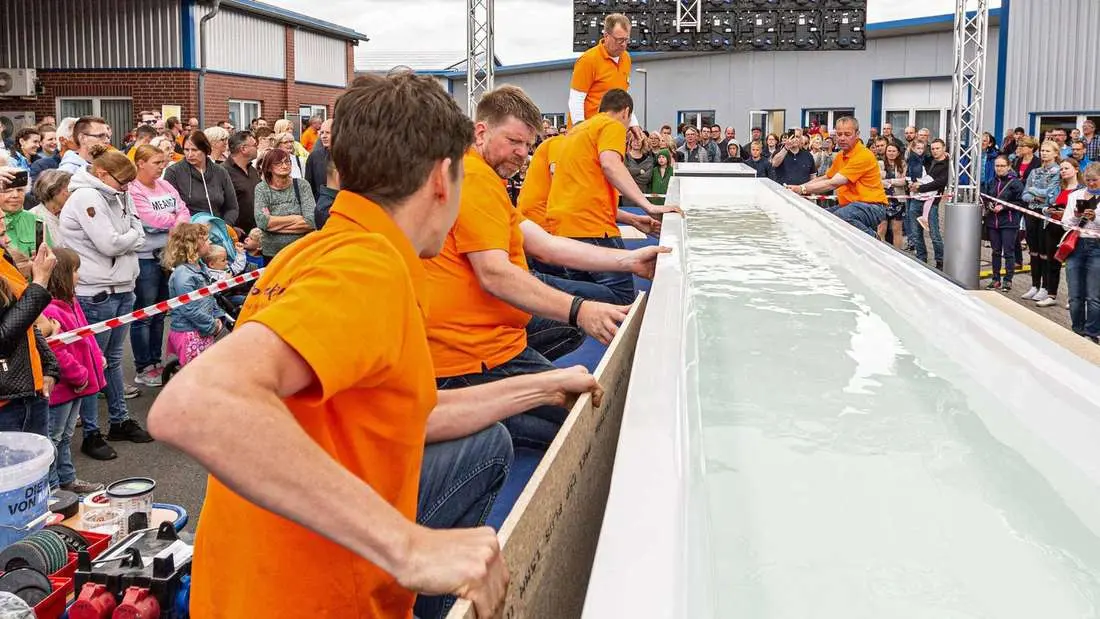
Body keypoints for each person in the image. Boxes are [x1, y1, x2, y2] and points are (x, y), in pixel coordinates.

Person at [149, 72, 603, 619]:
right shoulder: (369, 270)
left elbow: (410, 414)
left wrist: (542, 385)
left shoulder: (309, 255)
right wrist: (408, 546)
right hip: (318, 600)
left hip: (238, 592)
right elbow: (196, 404)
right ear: (443, 178)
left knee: (489, 443)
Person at [423, 85, 664, 454]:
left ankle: (506, 398)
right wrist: (580, 310)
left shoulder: (484, 178)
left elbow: (544, 244)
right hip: (471, 357)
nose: (522, 154)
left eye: (527, 145)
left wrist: (627, 260)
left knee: (573, 379)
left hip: (498, 338)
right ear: (481, 131)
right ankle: (475, 409)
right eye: (514, 142)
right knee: (583, 427)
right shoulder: (473, 179)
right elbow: (494, 274)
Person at [61, 144, 153, 459]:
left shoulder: (120, 194)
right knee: (92, 364)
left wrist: (126, 239)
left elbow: (138, 232)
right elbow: (109, 243)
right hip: (96, 291)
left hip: (123, 285)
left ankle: (119, 419)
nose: (127, 188)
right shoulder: (86, 197)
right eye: (122, 182)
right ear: (102, 173)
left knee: (112, 361)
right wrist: (129, 239)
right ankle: (91, 432)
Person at [545, 88, 679, 305]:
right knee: (622, 295)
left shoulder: (578, 132)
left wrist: (633, 219)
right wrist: (648, 206)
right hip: (592, 228)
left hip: (564, 225)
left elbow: (584, 193)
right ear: (626, 112)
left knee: (582, 303)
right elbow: (611, 164)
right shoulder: (612, 126)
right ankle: (545, 286)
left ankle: (547, 288)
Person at [41, 247, 104, 494]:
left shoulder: (71, 302)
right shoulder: (50, 310)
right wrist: (80, 374)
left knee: (65, 436)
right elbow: (56, 351)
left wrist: (97, 356)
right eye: (75, 270)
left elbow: (85, 332)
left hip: (77, 384)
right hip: (64, 386)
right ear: (61, 275)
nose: (79, 274)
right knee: (53, 439)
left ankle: (67, 478)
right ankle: (53, 487)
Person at [128, 145, 191, 387]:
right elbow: (148, 221)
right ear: (141, 163)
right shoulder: (134, 189)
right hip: (146, 258)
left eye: (162, 163)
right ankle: (143, 366)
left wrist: (176, 222)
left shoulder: (165, 185)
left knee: (160, 311)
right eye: (156, 163)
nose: (161, 168)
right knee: (144, 313)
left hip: (169, 256)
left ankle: (156, 361)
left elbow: (183, 209)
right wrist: (175, 222)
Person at [0, 220, 59, 437]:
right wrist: (40, 282)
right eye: (1, 233)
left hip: (30, 392)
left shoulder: (4, 259)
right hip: (6, 404)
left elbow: (26, 322)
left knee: (44, 466)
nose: (7, 240)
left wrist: (50, 367)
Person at [786, 116, 887, 237]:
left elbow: (834, 183)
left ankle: (874, 241)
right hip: (849, 205)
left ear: (857, 134)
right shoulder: (840, 156)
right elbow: (826, 177)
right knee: (819, 217)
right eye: (839, 134)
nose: (842, 138)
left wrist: (802, 190)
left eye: (847, 134)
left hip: (872, 206)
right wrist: (798, 187)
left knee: (840, 218)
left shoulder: (863, 155)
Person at [568, 13, 640, 139]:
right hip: (587, 133)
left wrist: (633, 123)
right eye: (619, 40)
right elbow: (576, 99)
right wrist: (580, 129)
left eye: (626, 39)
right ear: (606, 36)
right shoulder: (588, 60)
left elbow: (624, 96)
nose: (623, 44)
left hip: (610, 132)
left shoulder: (626, 58)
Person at [163, 223, 226, 366]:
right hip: (190, 333)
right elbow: (189, 309)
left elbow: (208, 297)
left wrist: (218, 316)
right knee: (197, 375)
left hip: (201, 329)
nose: (210, 242)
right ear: (193, 245)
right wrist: (212, 325)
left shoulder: (201, 267)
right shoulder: (183, 275)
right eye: (206, 239)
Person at [164, 131, 239, 225]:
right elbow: (170, 209)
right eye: (186, 150)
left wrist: (224, 226)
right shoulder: (173, 172)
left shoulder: (220, 172)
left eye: (194, 150)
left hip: (217, 231)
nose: (190, 154)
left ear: (205, 150)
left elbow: (232, 207)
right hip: (187, 232)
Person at [1019, 140, 1062, 303]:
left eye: (1048, 151)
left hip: (1046, 215)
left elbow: (1051, 195)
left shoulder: (1057, 172)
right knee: (1034, 251)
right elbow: (1025, 194)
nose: (1044, 153)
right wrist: (1035, 194)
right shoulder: (1035, 171)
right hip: (1031, 213)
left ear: (1055, 154)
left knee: (1045, 252)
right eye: (1042, 151)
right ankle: (1034, 285)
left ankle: (1045, 287)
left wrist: (1033, 191)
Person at [254, 148, 316, 260]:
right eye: (278, 163)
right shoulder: (261, 189)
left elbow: (311, 221)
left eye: (287, 162)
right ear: (268, 167)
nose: (284, 166)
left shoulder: (302, 185)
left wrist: (273, 226)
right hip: (272, 253)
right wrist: (295, 218)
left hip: (301, 250)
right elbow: (262, 221)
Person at [1062, 162, 1100, 343]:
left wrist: (1096, 218)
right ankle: (1077, 330)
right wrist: (1077, 216)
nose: (1091, 183)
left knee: (1093, 295)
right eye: (1089, 180)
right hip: (1076, 245)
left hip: (1097, 247)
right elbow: (1064, 223)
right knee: (1075, 295)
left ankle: (1092, 333)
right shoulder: (1075, 195)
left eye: (1095, 180)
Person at [982, 156, 1024, 291]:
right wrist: (989, 205)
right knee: (995, 251)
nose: (999, 168)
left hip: (1009, 222)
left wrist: (1004, 207)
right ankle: (995, 279)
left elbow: (1021, 202)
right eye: (997, 166)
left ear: (1008, 166)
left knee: (1008, 251)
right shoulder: (991, 181)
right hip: (992, 222)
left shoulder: (1015, 183)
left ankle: (1008, 280)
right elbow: (986, 196)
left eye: (1002, 166)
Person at [910, 139, 950, 268]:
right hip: (916, 200)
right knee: (916, 233)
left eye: (937, 148)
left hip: (931, 202)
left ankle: (940, 260)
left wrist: (919, 187)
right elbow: (913, 156)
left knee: (934, 234)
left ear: (944, 148)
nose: (934, 151)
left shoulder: (948, 165)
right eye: (932, 148)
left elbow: (940, 182)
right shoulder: (927, 160)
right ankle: (921, 258)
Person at [516, 134, 562, 230]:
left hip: (532, 212)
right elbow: (555, 171)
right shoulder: (558, 141)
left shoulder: (553, 142)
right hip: (541, 214)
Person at [222, 131, 260, 234]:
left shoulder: (252, 170)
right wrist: (230, 227)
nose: (257, 148)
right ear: (243, 149)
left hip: (256, 234)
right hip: (236, 235)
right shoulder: (222, 172)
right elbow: (217, 203)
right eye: (255, 145)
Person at [30, 170, 70, 247]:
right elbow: (40, 250)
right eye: (67, 190)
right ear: (53, 190)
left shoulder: (68, 213)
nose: (70, 194)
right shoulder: (36, 217)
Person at [304, 119, 333, 202]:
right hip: (321, 206)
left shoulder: (348, 156)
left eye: (328, 133)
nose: (324, 136)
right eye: (322, 133)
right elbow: (309, 186)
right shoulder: (314, 157)